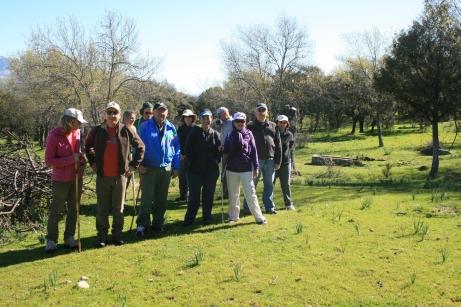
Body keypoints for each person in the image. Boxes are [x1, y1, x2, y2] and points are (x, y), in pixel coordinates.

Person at [85, 101, 145, 247]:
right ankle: (102, 237)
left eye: (115, 112)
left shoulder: (126, 130)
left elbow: (141, 147)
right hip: (102, 176)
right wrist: (92, 163)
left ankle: (117, 236)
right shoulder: (97, 130)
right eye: (109, 112)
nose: (112, 115)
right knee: (102, 209)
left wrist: (132, 166)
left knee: (119, 209)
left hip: (120, 177)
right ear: (104, 114)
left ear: (119, 114)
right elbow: (87, 146)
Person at [44, 108, 87, 252]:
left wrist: (81, 158)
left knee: (74, 209)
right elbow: (49, 161)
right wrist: (71, 159)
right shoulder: (54, 135)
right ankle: (51, 240)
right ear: (70, 121)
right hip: (61, 180)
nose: (80, 125)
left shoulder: (78, 133)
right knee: (57, 210)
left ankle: (69, 237)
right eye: (78, 122)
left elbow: (77, 153)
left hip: (76, 177)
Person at [136, 102, 180, 236]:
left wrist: (176, 167)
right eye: (159, 111)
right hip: (148, 168)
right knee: (147, 199)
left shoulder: (171, 128)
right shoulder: (144, 127)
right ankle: (143, 224)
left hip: (166, 169)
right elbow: (136, 146)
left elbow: (177, 148)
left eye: (164, 111)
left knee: (161, 199)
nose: (162, 113)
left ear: (167, 113)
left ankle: (158, 223)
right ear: (153, 112)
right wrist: (139, 164)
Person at [224, 112, 267, 225]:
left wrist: (256, 167)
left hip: (246, 169)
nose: (240, 123)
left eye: (242, 121)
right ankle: (233, 217)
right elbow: (226, 151)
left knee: (251, 193)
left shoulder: (249, 134)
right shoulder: (230, 134)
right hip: (232, 169)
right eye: (237, 121)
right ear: (234, 123)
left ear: (245, 122)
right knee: (234, 194)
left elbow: (254, 152)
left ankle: (259, 217)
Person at [183, 109, 221, 226]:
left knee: (208, 196)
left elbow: (219, 153)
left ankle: (207, 218)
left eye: (208, 118)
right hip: (195, 171)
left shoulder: (215, 134)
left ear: (212, 119)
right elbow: (188, 150)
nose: (206, 120)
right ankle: (189, 219)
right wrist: (192, 164)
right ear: (200, 119)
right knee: (194, 197)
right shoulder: (194, 133)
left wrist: (219, 153)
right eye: (204, 118)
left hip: (211, 171)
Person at [244, 102, 282, 214]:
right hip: (255, 161)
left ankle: (269, 207)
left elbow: (278, 144)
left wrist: (278, 161)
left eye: (263, 110)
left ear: (267, 112)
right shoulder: (249, 126)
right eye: (259, 110)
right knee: (251, 185)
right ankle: (248, 207)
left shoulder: (273, 126)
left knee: (269, 184)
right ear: (255, 112)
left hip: (270, 160)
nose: (261, 112)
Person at [275, 115, 295, 210]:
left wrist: (292, 163)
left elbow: (291, 148)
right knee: (270, 184)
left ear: (287, 123)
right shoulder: (273, 132)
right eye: (280, 122)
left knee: (286, 184)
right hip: (273, 163)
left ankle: (288, 204)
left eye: (284, 122)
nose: (282, 124)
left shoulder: (290, 135)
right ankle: (269, 204)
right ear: (277, 122)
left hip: (286, 163)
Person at [176, 109, 196, 202]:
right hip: (182, 156)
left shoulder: (196, 129)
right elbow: (178, 142)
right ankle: (183, 195)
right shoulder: (180, 129)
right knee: (182, 176)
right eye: (185, 117)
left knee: (192, 177)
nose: (187, 119)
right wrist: (180, 154)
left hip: (193, 157)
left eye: (189, 117)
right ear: (183, 118)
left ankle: (192, 196)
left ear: (192, 118)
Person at [215, 106, 233, 199]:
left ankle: (232, 193)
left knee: (232, 173)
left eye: (219, 115)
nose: (218, 117)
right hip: (224, 151)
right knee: (224, 173)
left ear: (225, 114)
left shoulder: (233, 122)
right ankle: (225, 193)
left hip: (232, 152)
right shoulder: (222, 122)